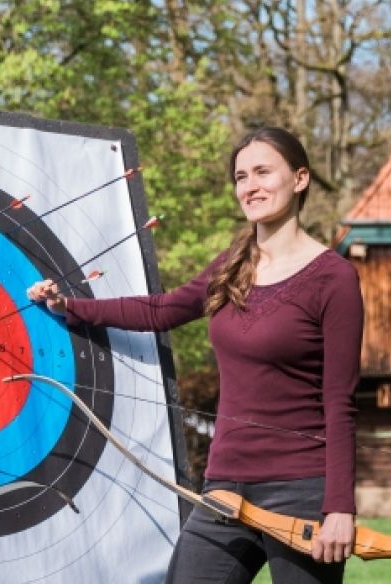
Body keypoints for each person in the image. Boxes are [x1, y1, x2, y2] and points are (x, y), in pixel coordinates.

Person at [28, 127, 363, 584]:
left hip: (300, 491)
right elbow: (162, 310)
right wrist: (71, 308)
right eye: (241, 176)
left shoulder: (334, 279)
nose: (250, 186)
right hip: (224, 485)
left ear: (300, 179)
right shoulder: (233, 266)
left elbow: (339, 400)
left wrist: (339, 507)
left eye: (264, 172)